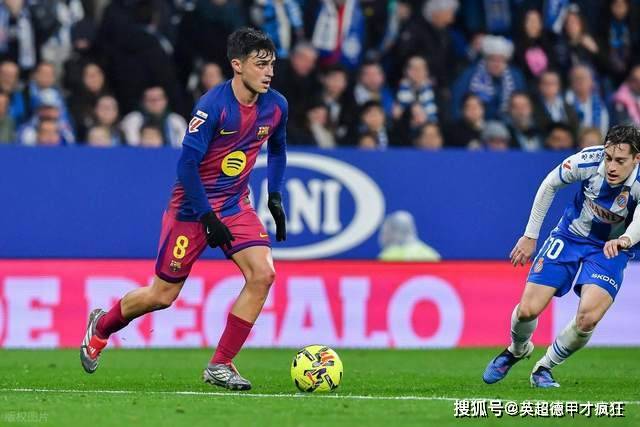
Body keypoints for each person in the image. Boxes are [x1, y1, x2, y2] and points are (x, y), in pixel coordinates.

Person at [80, 28, 288, 391]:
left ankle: (221, 364)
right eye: (260, 64)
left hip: (235, 203)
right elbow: (187, 166)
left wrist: (275, 196)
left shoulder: (276, 105)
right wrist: (206, 217)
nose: (269, 72)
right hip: (192, 208)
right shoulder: (212, 107)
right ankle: (102, 325)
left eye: (271, 64)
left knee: (263, 274)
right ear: (237, 65)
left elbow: (278, 149)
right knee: (162, 296)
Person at [483, 125, 640, 388]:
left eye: (620, 161)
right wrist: (530, 235)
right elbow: (550, 184)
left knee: (588, 319)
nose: (611, 166)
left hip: (610, 248)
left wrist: (625, 240)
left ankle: (544, 367)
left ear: (636, 158)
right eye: (609, 158)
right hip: (570, 237)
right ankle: (517, 350)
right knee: (527, 311)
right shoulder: (588, 160)